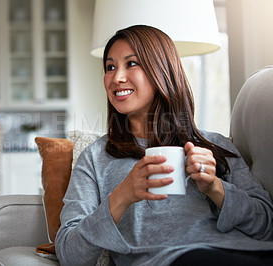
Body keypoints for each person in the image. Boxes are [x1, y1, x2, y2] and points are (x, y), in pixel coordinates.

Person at [55, 25, 273, 266]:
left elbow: (266, 226)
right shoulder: (95, 158)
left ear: (162, 70)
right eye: (110, 67)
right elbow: (70, 254)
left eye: (131, 63)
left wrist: (215, 188)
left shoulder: (213, 146)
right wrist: (121, 196)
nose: (116, 78)